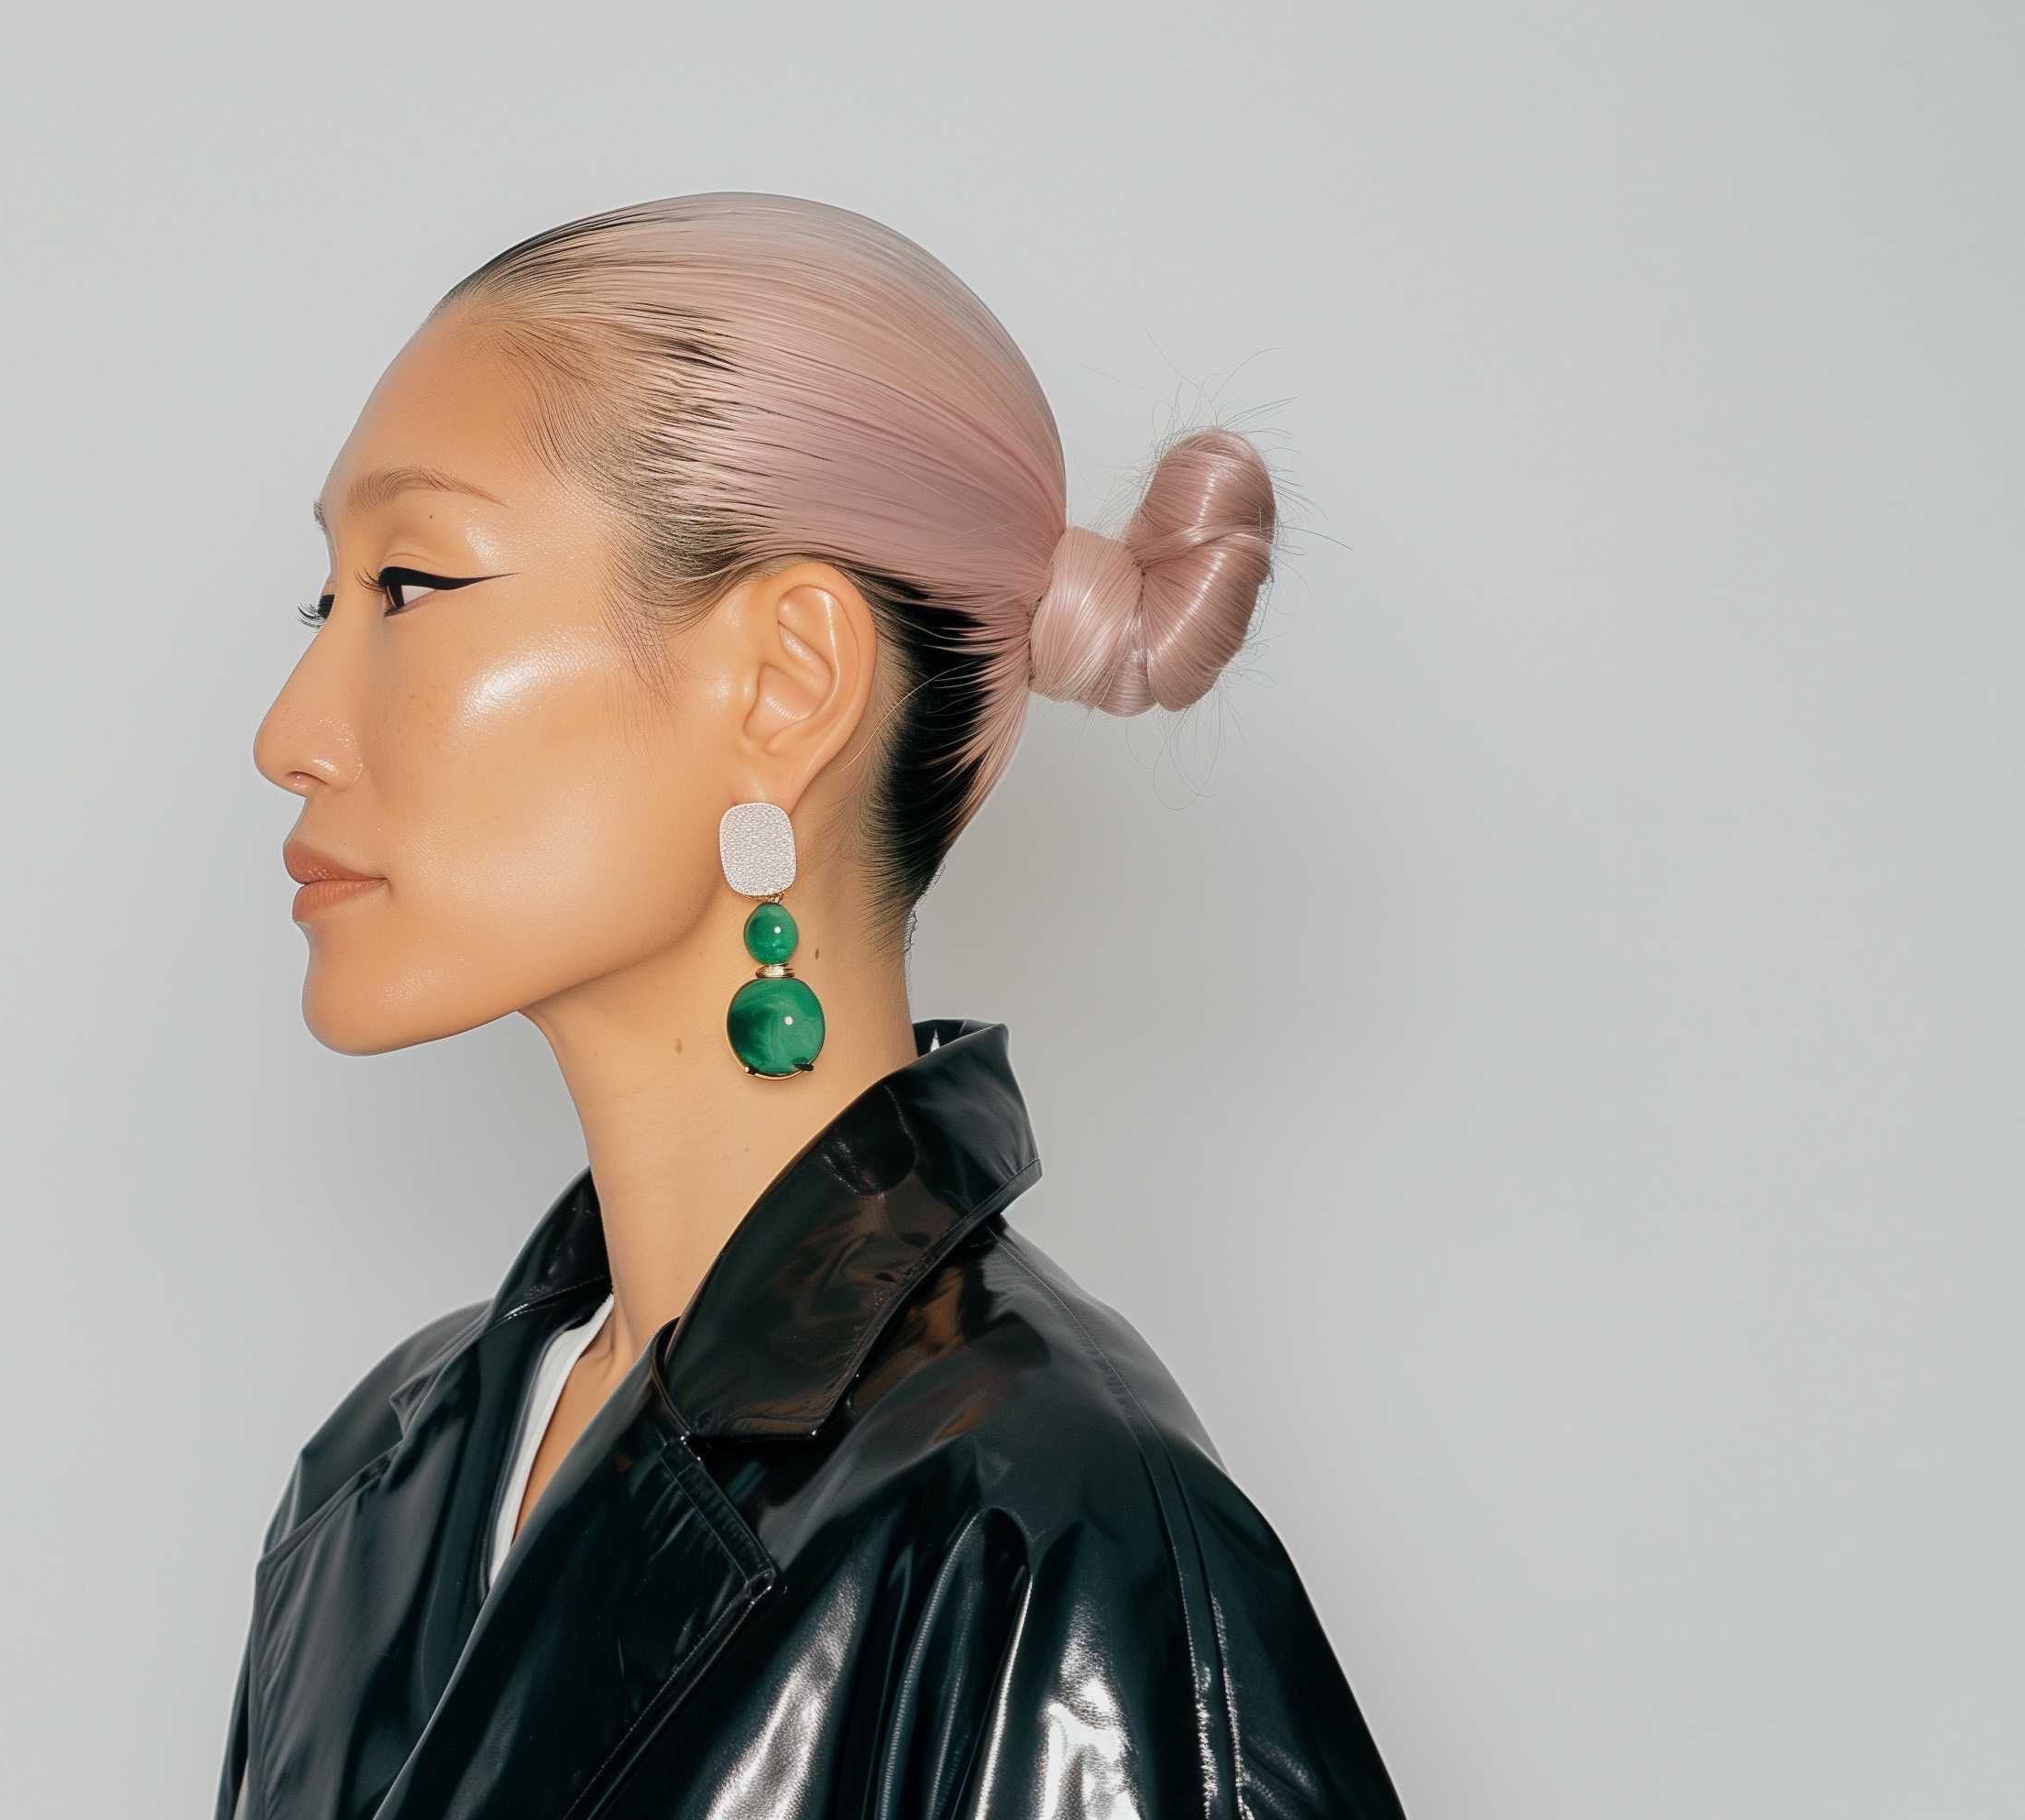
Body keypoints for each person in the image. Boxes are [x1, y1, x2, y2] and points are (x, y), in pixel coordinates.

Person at [229, 191, 1401, 1818]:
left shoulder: (1047, 1534)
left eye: (410, 583)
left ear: (786, 683)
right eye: (326, 601)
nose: (289, 733)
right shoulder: (378, 1476)